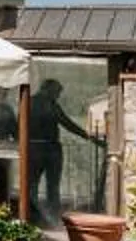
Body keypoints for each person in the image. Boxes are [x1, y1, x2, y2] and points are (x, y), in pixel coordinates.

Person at [29, 78, 97, 213]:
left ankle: (34, 212)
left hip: (35, 148)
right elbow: (66, 123)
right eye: (57, 92)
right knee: (51, 185)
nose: (58, 96)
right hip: (48, 149)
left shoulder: (31, 102)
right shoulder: (48, 104)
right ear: (48, 90)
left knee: (33, 184)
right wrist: (87, 136)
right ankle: (51, 213)